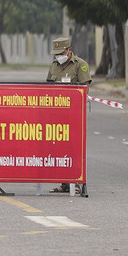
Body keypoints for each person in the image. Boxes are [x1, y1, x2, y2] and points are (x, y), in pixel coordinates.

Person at [46, 36, 92, 193]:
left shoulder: (80, 65)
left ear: (69, 51)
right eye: (56, 54)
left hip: (74, 115)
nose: (58, 56)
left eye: (61, 53)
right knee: (58, 148)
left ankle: (76, 182)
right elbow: (48, 87)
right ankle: (64, 183)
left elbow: (84, 89)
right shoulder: (53, 66)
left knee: (74, 148)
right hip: (56, 115)